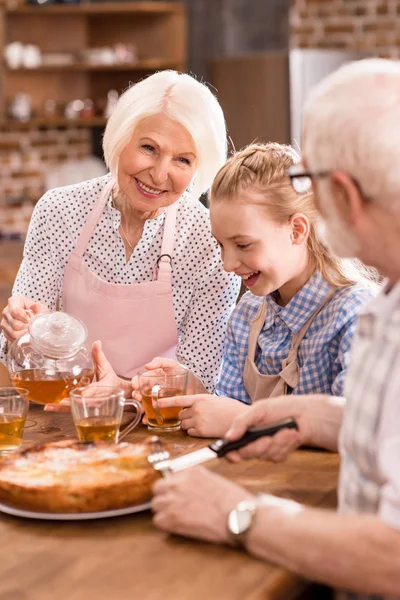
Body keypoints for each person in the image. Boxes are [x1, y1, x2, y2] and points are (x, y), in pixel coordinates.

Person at [151, 58, 400, 599]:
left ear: (343, 195)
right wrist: (312, 415)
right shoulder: (388, 305)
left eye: (308, 178)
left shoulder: (358, 309)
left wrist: (239, 515)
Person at [0, 70, 240, 391]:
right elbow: (22, 350)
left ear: (199, 168)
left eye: (182, 160)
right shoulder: (60, 210)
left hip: (159, 427)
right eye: (149, 148)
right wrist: (20, 329)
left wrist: (123, 392)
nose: (158, 174)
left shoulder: (210, 242)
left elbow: (200, 381)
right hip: (67, 413)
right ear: (120, 137)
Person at [134, 143, 376, 437]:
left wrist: (251, 419)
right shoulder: (247, 315)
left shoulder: (358, 315)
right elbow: (229, 412)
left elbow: (363, 432)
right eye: (221, 245)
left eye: (243, 245)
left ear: (297, 231)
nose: (227, 264)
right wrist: (194, 393)